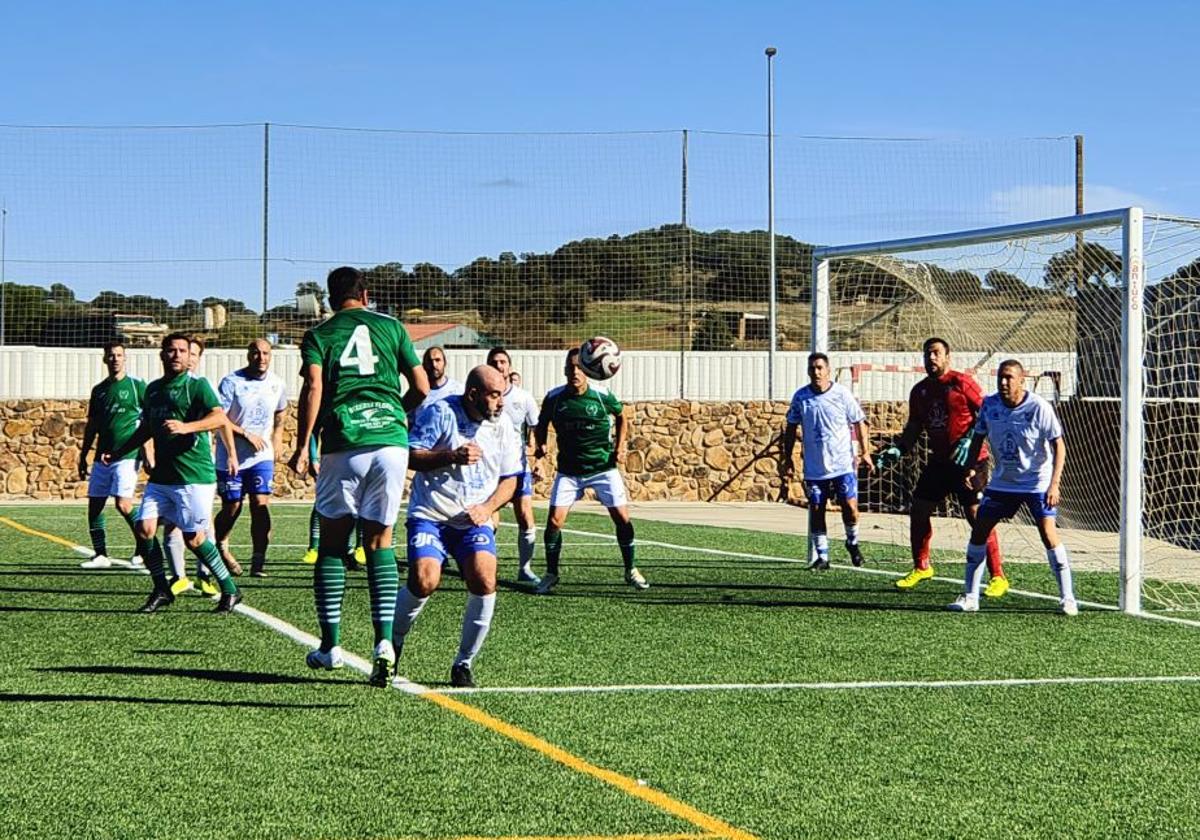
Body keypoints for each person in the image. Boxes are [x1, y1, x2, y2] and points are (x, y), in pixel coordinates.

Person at [289, 266, 429, 686]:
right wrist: (393, 412)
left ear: (330, 300)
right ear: (365, 295)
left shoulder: (319, 335)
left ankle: (330, 647)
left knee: (333, 545)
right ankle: (384, 642)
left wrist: (303, 444)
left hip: (344, 440)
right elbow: (421, 387)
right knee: (379, 542)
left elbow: (314, 387)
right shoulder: (393, 327)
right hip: (391, 443)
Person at [392, 365, 522, 688]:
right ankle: (392, 644)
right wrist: (450, 456)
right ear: (473, 395)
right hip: (430, 513)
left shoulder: (504, 425)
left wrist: (487, 508)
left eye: (502, 394)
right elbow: (410, 455)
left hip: (473, 518)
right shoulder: (440, 412)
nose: (501, 402)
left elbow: (510, 480)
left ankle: (463, 663)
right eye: (494, 395)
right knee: (424, 580)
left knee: (484, 578)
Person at [100, 332, 243, 613]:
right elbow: (146, 429)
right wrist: (118, 452)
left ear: (189, 356)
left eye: (182, 350)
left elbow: (219, 417)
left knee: (194, 539)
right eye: (171, 350)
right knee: (144, 529)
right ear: (162, 354)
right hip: (162, 477)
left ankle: (230, 589)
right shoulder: (153, 390)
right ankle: (161, 588)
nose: (177, 355)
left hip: (194, 476)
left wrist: (186, 427)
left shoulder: (196, 385)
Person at [876, 337, 1007, 595]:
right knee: (919, 510)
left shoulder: (962, 383)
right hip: (940, 462)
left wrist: (970, 439)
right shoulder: (920, 391)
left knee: (977, 516)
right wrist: (899, 449)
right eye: (928, 354)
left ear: (948, 356)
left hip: (970, 462)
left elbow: (987, 413)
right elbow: (914, 426)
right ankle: (921, 566)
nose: (931, 358)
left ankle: (998, 576)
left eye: (936, 353)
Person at [948, 360, 1077, 615]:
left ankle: (1068, 598)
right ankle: (971, 597)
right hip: (1003, 483)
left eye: (1009, 377)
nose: (1004, 382)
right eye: (1001, 377)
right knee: (979, 531)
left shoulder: (1039, 407)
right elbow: (978, 437)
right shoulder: (990, 404)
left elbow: (1059, 445)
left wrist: (1054, 484)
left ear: (1021, 380)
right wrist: (970, 468)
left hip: (1036, 483)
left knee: (1048, 535)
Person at [532, 347, 647, 594]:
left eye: (579, 367)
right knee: (554, 522)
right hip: (569, 472)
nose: (574, 371)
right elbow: (541, 425)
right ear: (564, 370)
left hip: (603, 468)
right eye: (570, 367)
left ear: (588, 370)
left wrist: (620, 446)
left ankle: (631, 569)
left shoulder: (602, 395)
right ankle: (551, 574)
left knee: (622, 519)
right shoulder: (554, 398)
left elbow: (622, 417)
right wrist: (541, 447)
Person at [778, 352, 874, 570]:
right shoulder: (801, 397)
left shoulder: (841, 394)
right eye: (812, 368)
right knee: (817, 509)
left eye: (820, 368)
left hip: (842, 465)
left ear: (828, 370)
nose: (816, 372)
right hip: (815, 468)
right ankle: (822, 556)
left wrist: (865, 452)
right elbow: (791, 427)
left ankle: (852, 542)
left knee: (850, 507)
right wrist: (788, 457)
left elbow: (859, 421)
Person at [212, 339, 288, 578]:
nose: (261, 357)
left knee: (260, 504)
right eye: (256, 353)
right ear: (248, 355)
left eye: (265, 353)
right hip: (231, 456)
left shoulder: (277, 383)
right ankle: (220, 545)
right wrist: (245, 434)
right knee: (232, 506)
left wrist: (277, 438)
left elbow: (281, 411)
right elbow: (219, 419)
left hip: (261, 457)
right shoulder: (231, 382)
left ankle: (258, 561)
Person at [78, 341, 151, 569]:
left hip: (128, 455)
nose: (115, 359)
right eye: (111, 355)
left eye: (119, 355)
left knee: (123, 504)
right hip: (102, 456)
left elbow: (149, 422)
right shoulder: (99, 390)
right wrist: (84, 454)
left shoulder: (137, 386)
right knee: (95, 505)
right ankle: (101, 555)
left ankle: (144, 547)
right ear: (104, 359)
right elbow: (92, 425)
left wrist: (149, 453)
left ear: (125, 358)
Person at [485, 346, 541, 584]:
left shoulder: (523, 397)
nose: (499, 366)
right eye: (494, 362)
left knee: (526, 516)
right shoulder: (481, 396)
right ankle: (483, 564)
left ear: (509, 366)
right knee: (489, 518)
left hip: (518, 466)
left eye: (503, 362)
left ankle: (525, 568)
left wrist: (539, 460)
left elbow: (537, 427)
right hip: (490, 467)